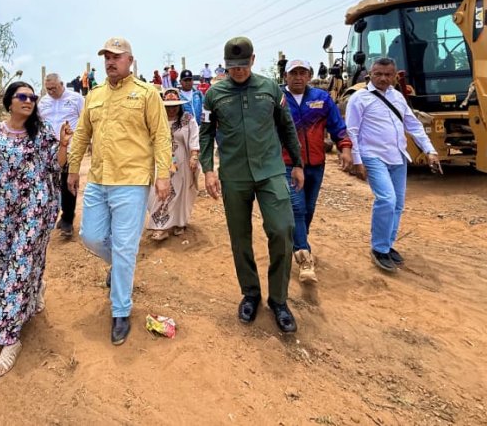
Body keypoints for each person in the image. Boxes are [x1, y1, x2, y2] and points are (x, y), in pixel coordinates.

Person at [68, 37, 171, 346]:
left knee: (126, 246)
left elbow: (161, 136)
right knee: (90, 236)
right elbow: (83, 133)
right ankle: (120, 264)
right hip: (99, 179)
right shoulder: (95, 95)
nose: (110, 62)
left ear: (130, 60)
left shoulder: (146, 94)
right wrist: (73, 168)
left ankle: (121, 310)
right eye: (107, 57)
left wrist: (162, 175)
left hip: (132, 181)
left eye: (116, 56)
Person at [199, 36, 304, 334]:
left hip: (271, 171)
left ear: (253, 60)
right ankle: (251, 294)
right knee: (239, 237)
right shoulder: (214, 94)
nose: (238, 72)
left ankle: (279, 300)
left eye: (243, 65)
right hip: (234, 175)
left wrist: (297, 163)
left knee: (282, 230)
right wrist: (208, 170)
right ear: (226, 65)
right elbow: (206, 133)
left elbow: (286, 126)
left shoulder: (270, 89)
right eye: (233, 67)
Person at [0, 81, 71, 378]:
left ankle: (9, 336)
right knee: (8, 263)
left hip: (36, 210)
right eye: (22, 96)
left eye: (32, 97)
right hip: (0, 212)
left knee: (20, 264)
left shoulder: (41, 133)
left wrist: (63, 145)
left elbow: (55, 165)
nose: (28, 101)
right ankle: (34, 291)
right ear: (9, 102)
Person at [345, 57, 441, 272]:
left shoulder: (397, 97)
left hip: (398, 156)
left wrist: (430, 151)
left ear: (395, 76)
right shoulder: (359, 99)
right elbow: (352, 131)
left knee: (397, 204)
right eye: (378, 74)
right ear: (371, 74)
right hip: (373, 155)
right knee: (387, 200)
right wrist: (357, 161)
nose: (383, 78)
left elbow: (413, 125)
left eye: (388, 75)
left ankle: (387, 245)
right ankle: (379, 248)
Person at [280, 59, 352, 284]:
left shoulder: (321, 99)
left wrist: (345, 148)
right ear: (285, 77)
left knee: (308, 208)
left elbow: (337, 126)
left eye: (303, 73)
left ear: (309, 75)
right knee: (297, 207)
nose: (298, 77)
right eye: (294, 73)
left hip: (316, 164)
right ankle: (304, 257)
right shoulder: (278, 100)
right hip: (288, 164)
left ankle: (298, 241)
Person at [146, 88, 200, 241]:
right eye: (168, 106)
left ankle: (179, 222)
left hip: (182, 162)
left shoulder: (187, 119)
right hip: (161, 161)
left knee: (179, 193)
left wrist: (194, 157)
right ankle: (159, 226)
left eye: (175, 106)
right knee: (160, 192)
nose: (171, 109)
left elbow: (194, 137)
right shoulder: (156, 119)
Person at [38, 73, 85, 237]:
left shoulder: (76, 99)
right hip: (48, 149)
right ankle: (51, 216)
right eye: (48, 88)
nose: (51, 91)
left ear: (62, 84)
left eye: (54, 88)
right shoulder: (43, 102)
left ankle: (67, 218)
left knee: (68, 181)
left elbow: (85, 120)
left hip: (71, 147)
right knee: (50, 183)